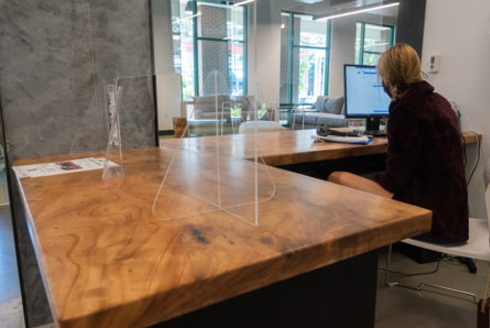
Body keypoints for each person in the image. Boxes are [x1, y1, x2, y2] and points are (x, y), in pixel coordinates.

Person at [328, 43, 468, 243]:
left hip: (430, 216)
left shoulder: (405, 110)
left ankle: (352, 252)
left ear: (388, 77)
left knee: (337, 177)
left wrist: (369, 180)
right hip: (454, 215)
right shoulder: (439, 101)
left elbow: (395, 179)